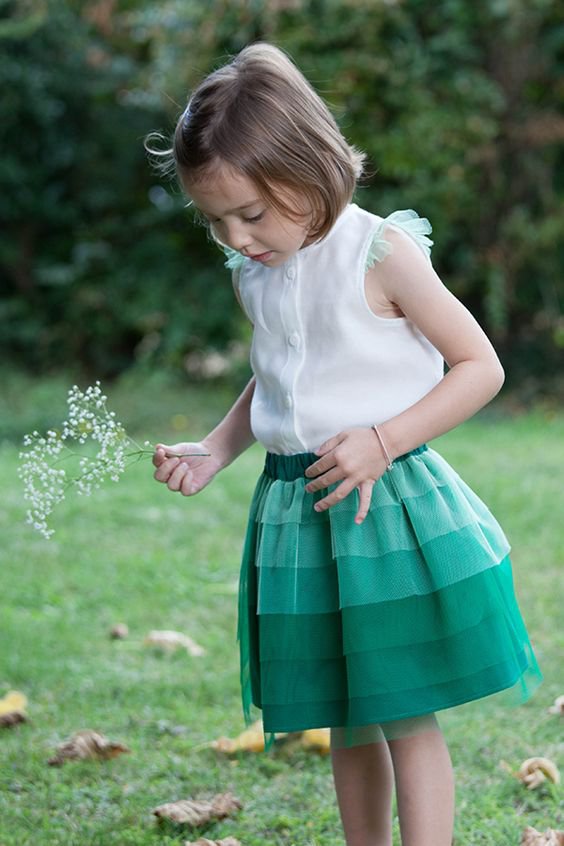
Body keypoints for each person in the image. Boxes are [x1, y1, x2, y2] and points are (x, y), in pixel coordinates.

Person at [149, 42, 542, 846]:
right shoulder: (252, 270)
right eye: (216, 218)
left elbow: (479, 367)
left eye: (251, 213)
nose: (236, 236)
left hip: (383, 507)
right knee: (345, 713)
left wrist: (382, 440)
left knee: (400, 708)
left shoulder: (380, 253)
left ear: (308, 170)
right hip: (299, 513)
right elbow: (280, 370)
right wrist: (219, 447)